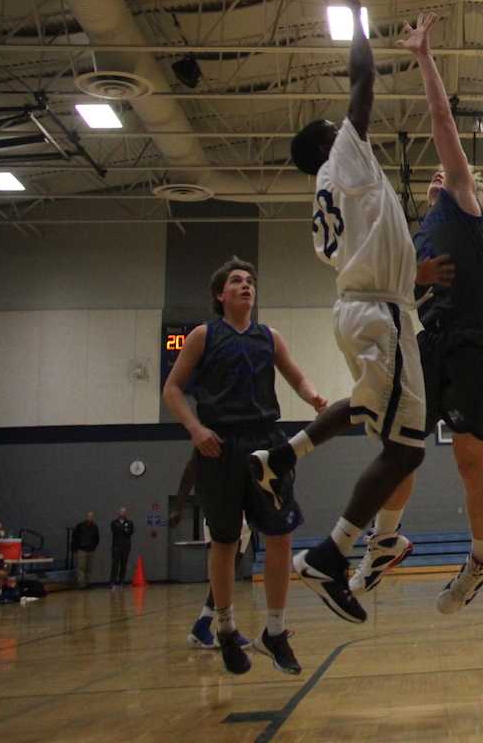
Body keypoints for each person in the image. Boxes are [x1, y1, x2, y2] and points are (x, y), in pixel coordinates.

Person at [254, 0, 447, 625]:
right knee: (408, 450)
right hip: (378, 317)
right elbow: (363, 78)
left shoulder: (329, 196)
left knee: (369, 408)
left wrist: (416, 272)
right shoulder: (344, 154)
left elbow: (373, 249)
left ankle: (286, 454)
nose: (348, 123)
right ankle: (333, 555)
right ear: (328, 141)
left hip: (368, 310)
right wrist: (359, 14)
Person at [397, 12, 483, 614]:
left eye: (449, 169)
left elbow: (442, 121)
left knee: (470, 459)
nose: (440, 171)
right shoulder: (416, 233)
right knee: (400, 446)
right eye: (437, 172)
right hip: (432, 339)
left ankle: (481, 556)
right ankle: (382, 539)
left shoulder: (464, 202)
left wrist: (423, 56)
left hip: (477, 338)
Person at [163, 257, 326, 675]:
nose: (245, 285)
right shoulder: (203, 335)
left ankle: (274, 630)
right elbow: (172, 390)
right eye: (236, 281)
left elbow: (296, 376)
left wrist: (314, 398)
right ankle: (224, 627)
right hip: (218, 445)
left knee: (280, 535)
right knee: (225, 540)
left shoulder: (269, 337)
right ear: (221, 295)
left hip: (264, 445)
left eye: (250, 280)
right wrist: (196, 429)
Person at [169, 452, 253, 652]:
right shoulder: (217, 438)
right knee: (223, 572)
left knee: (230, 572)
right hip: (221, 510)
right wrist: (179, 506)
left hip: (245, 516)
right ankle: (218, 628)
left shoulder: (254, 436)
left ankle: (204, 626)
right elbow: (191, 467)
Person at [72, 512, 99, 589]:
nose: (90, 518)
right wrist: (75, 549)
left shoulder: (95, 526)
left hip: (91, 550)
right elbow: (75, 537)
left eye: (91, 517)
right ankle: (81, 584)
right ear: (86, 517)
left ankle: (87, 584)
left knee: (89, 568)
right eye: (88, 516)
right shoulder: (80, 526)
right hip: (82, 550)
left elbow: (97, 538)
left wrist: (94, 547)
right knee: (81, 568)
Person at [109, 508, 135, 587]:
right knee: (115, 564)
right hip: (116, 546)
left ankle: (121, 581)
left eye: (124, 512)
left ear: (126, 513)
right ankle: (112, 582)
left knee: (123, 564)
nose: (122, 514)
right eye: (121, 512)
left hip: (126, 547)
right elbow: (115, 531)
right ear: (118, 513)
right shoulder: (114, 522)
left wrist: (122, 528)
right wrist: (124, 529)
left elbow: (130, 532)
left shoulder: (130, 522)